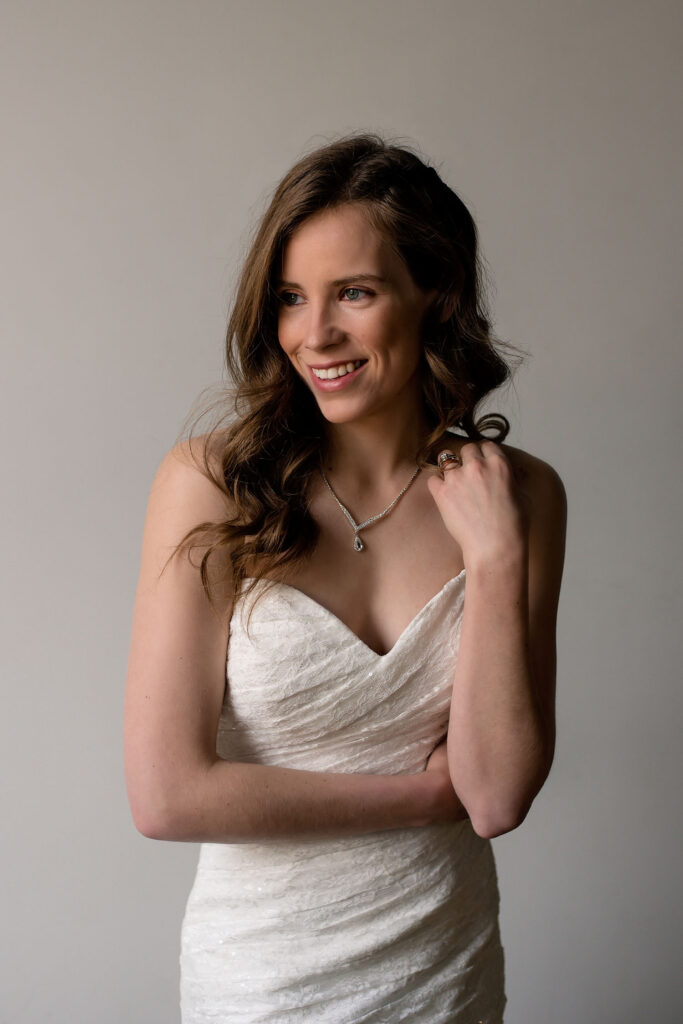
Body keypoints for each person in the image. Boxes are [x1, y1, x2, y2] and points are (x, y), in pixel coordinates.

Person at [124, 132, 567, 1023]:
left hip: (442, 969)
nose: (313, 334)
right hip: (260, 982)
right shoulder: (208, 483)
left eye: (353, 293)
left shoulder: (521, 496)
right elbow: (166, 794)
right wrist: (416, 795)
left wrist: (495, 557)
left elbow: (494, 793)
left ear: (432, 293)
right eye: (290, 298)